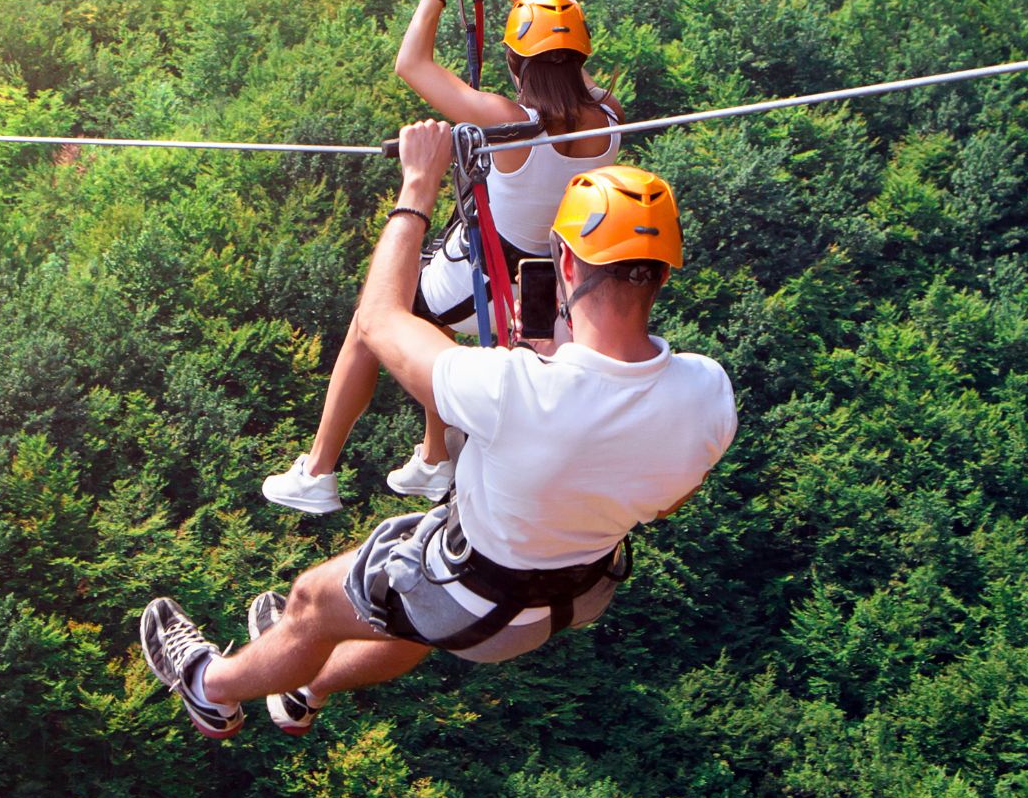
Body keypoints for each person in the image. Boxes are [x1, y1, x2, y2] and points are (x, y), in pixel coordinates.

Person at [143, 124, 738, 738]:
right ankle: (304, 689)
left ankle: (209, 688)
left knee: (310, 603)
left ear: (563, 259)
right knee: (408, 616)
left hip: (473, 594)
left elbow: (378, 320)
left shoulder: (512, 388)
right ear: (664, 274)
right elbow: (668, 500)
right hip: (573, 596)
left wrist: (418, 184)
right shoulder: (708, 393)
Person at [263, 0, 629, 515]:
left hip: (486, 276)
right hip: (544, 285)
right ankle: (435, 458)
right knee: (434, 321)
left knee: (372, 319)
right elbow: (568, 71)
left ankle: (318, 471)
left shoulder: (507, 122)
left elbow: (412, 64)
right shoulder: (610, 117)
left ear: (514, 62)